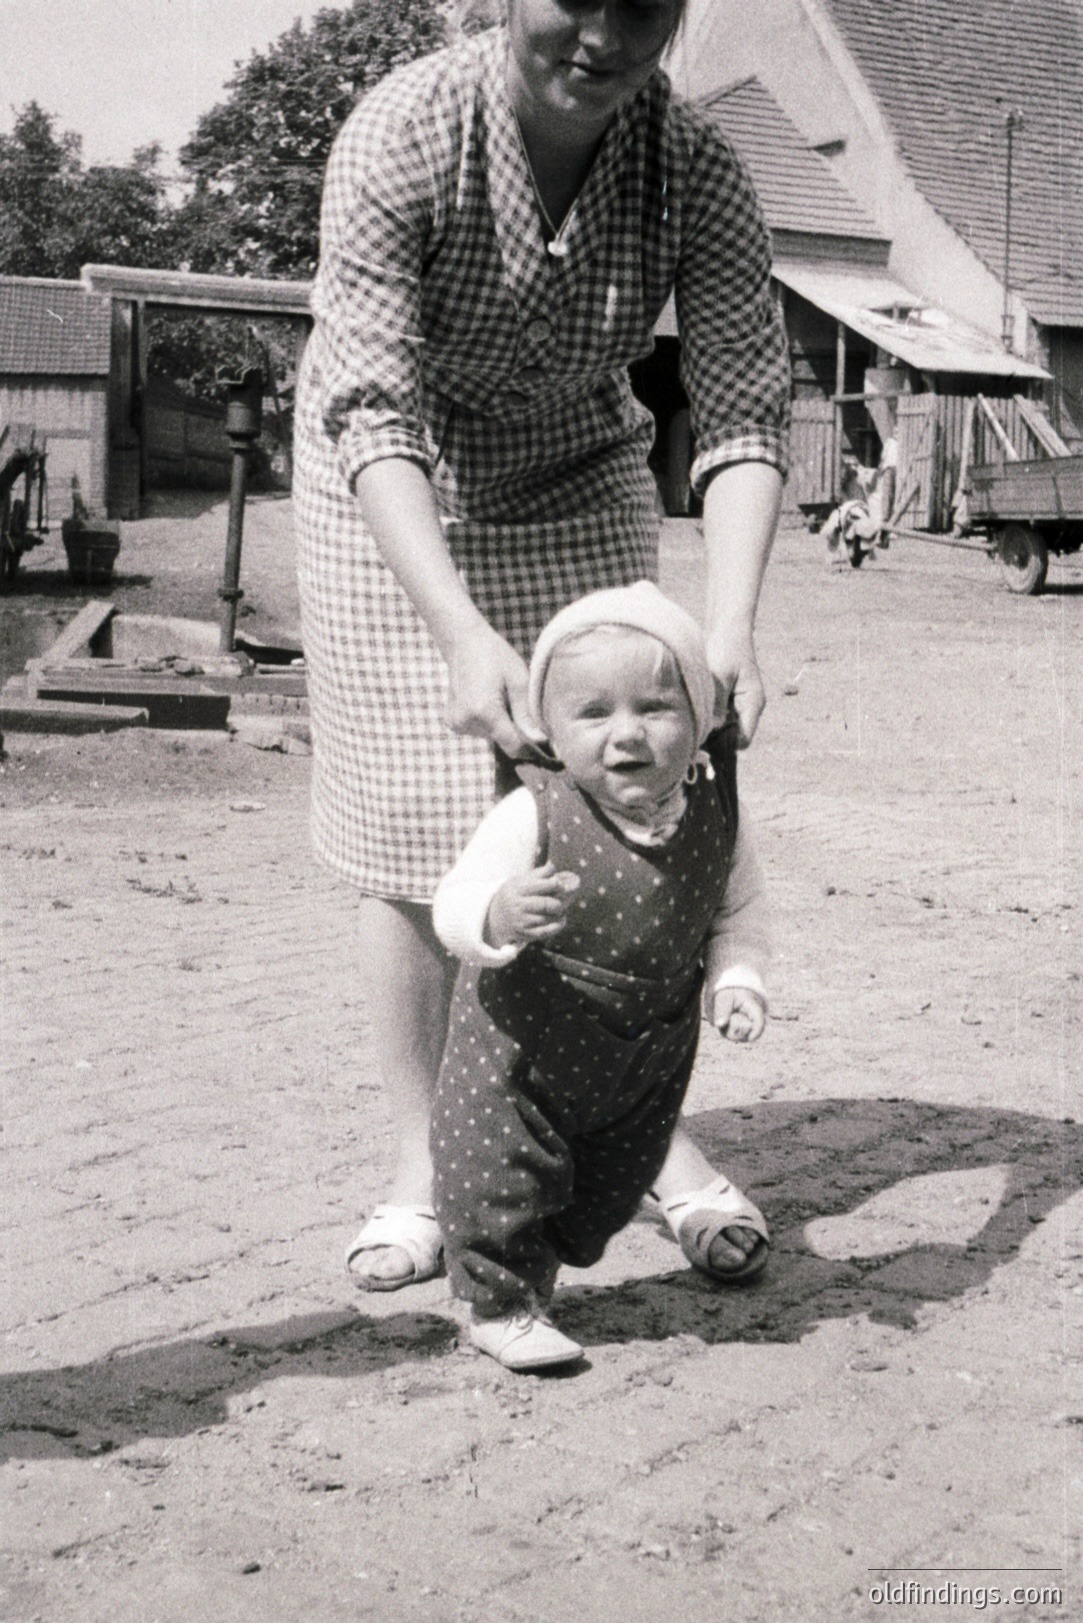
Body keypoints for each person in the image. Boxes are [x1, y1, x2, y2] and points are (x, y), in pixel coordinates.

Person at [293, 0, 790, 1295]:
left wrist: (727, 627)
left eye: (646, 6)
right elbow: (372, 399)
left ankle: (640, 1140)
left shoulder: (697, 167)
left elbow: (738, 406)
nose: (606, 34)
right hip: (390, 482)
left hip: (575, 474)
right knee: (416, 823)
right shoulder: (403, 132)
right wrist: (456, 629)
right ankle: (421, 1157)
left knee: (624, 807)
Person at [430, 582, 771, 1369]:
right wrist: (498, 913)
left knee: (604, 1187)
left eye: (656, 706)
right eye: (593, 713)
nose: (627, 734)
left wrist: (737, 979)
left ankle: (541, 1271)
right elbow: (456, 900)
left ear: (700, 719)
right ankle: (500, 1303)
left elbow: (738, 910)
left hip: (640, 1055)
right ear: (550, 728)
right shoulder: (534, 812)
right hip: (521, 1046)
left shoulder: (717, 815)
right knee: (501, 1168)